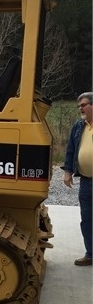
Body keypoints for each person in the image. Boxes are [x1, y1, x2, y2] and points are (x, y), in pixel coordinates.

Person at [62, 92, 93, 266]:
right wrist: (67, 171)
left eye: (84, 104)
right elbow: (70, 150)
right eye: (79, 106)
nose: (80, 108)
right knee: (87, 219)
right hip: (86, 182)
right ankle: (90, 254)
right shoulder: (78, 126)